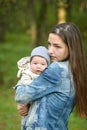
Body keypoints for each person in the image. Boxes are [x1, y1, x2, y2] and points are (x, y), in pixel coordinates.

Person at [14, 22, 87, 130]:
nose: (50, 51)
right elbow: (49, 101)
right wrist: (29, 105)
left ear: (71, 47)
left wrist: (26, 74)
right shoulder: (75, 70)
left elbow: (20, 96)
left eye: (57, 46)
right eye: (49, 44)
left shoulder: (56, 70)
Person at [15, 46, 50, 130]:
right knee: (27, 119)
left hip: (40, 107)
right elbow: (24, 83)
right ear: (30, 63)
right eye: (35, 63)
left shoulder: (48, 74)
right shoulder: (27, 73)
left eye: (42, 64)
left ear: (48, 65)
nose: (38, 66)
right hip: (27, 100)